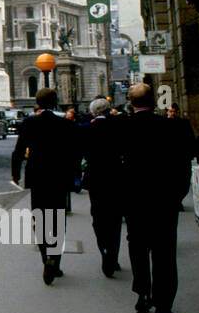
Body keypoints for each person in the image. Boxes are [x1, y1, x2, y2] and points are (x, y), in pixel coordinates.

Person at [121, 83, 194, 313]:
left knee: (138, 248)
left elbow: (115, 168)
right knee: (164, 253)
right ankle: (163, 308)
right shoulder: (173, 127)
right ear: (153, 100)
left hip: (134, 202)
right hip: (164, 201)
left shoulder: (122, 127)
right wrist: (177, 195)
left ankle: (142, 294)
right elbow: (185, 164)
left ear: (132, 103)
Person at [11, 88, 78, 285]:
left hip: (38, 177)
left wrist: (16, 174)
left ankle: (45, 259)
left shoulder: (29, 122)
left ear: (38, 103)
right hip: (59, 178)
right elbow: (74, 153)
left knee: (39, 219)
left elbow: (19, 150)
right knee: (57, 220)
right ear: (55, 102)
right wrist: (74, 176)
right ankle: (55, 262)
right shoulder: (66, 124)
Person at [81, 97, 125, 277]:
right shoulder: (118, 128)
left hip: (95, 180)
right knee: (115, 218)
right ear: (108, 110)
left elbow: (82, 153)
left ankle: (104, 250)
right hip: (115, 178)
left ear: (93, 112)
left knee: (98, 217)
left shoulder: (87, 130)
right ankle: (113, 256)